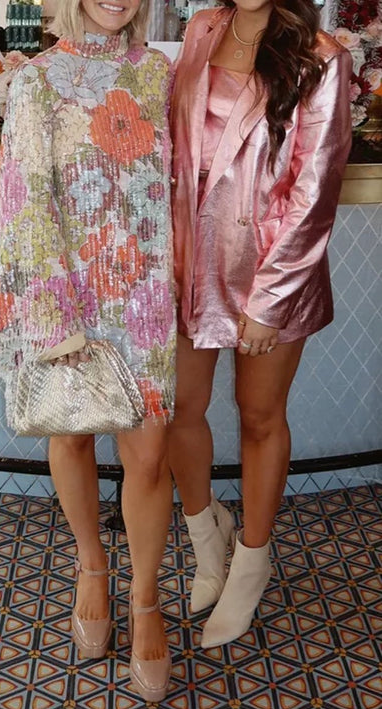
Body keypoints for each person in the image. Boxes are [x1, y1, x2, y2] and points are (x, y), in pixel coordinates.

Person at [0, 0, 176, 702]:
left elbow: (177, 181)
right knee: (70, 435)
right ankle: (91, 565)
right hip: (69, 293)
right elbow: (24, 197)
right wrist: (49, 316)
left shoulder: (157, 73)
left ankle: (146, 599)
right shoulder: (37, 80)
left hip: (145, 292)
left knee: (148, 456)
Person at [168, 0, 351, 648]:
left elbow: (315, 190)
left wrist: (268, 302)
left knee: (260, 416)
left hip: (270, 268)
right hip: (189, 259)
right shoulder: (203, 26)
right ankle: (205, 539)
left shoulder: (321, 58)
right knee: (179, 409)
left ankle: (251, 561)